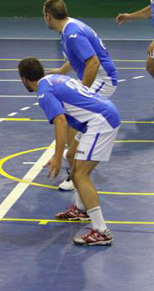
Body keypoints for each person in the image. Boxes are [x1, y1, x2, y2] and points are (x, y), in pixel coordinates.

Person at [19, 57, 119, 246]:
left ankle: (101, 231)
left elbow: (61, 121)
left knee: (81, 174)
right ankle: (81, 210)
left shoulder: (44, 92)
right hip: (98, 118)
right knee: (72, 157)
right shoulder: (55, 78)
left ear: (24, 79)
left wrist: (56, 157)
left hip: (100, 121)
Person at [42, 0, 118, 191]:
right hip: (98, 78)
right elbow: (79, 57)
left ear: (48, 16)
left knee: (74, 115)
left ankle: (75, 172)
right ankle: (76, 165)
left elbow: (93, 62)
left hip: (103, 80)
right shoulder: (69, 28)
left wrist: (82, 92)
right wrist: (61, 70)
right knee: (74, 118)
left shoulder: (72, 33)